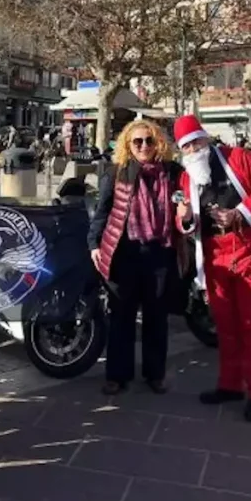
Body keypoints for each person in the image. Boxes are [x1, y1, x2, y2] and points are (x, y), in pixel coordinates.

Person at [173, 115, 251, 421]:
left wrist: (239, 213)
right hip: (214, 257)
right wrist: (185, 217)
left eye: (196, 141)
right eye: (186, 146)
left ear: (206, 138)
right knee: (226, 327)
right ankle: (230, 384)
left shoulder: (239, 158)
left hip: (249, 250)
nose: (193, 149)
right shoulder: (187, 178)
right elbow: (184, 224)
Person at [88, 119, 181, 395]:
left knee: (157, 317)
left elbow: (185, 205)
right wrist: (94, 244)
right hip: (124, 252)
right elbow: (102, 212)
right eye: (137, 141)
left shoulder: (172, 173)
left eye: (149, 141)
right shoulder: (117, 173)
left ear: (158, 143)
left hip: (159, 252)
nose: (143, 146)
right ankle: (117, 375)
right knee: (121, 316)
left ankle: (155, 374)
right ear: (128, 145)